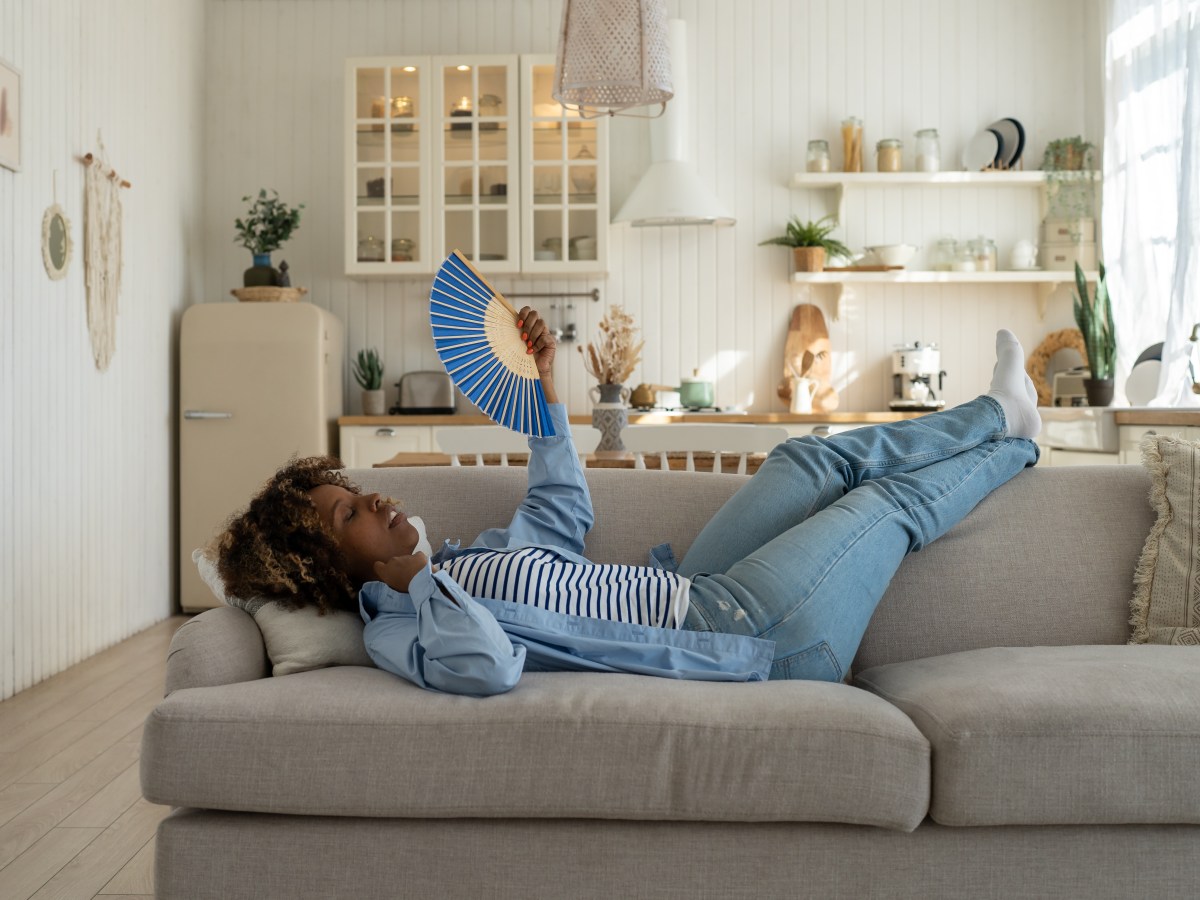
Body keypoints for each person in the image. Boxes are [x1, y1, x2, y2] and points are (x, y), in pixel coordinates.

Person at [215, 307, 1042, 696]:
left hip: (699, 589)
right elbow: (489, 668)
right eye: (347, 514)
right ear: (327, 564)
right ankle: (1014, 431)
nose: (375, 501)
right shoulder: (405, 628)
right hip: (750, 637)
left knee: (802, 462)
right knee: (877, 508)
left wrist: (541, 391)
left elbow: (564, 508)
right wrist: (417, 578)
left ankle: (996, 414)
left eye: (357, 492)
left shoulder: (476, 558)